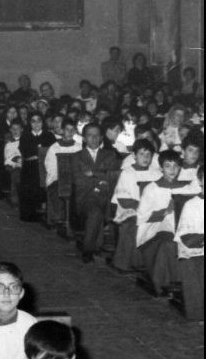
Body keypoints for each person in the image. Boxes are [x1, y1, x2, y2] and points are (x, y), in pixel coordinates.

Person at [136, 149, 195, 296]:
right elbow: (142, 217)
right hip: (154, 230)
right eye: (168, 166)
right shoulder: (151, 188)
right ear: (161, 167)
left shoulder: (187, 189)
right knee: (168, 243)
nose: (172, 170)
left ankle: (188, 282)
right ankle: (168, 283)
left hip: (181, 229)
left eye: (176, 166)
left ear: (180, 167)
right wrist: (166, 211)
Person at [71, 122, 121, 262]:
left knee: (98, 210)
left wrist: (94, 173)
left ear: (101, 138)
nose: (93, 138)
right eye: (89, 135)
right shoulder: (77, 156)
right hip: (85, 197)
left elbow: (114, 176)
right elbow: (79, 181)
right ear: (84, 138)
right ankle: (88, 249)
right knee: (95, 211)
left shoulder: (109, 155)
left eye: (96, 136)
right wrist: (100, 182)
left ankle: (94, 245)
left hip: (107, 196)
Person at [111, 139, 161, 272]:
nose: (145, 158)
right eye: (141, 154)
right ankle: (123, 263)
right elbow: (123, 198)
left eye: (148, 155)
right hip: (130, 210)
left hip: (151, 210)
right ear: (134, 155)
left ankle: (148, 263)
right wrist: (143, 207)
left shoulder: (157, 173)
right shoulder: (127, 173)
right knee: (132, 224)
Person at [175, 165, 204, 321]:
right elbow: (187, 238)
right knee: (194, 268)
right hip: (194, 251)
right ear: (200, 181)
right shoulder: (191, 205)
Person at [43, 117, 82, 227]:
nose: (69, 133)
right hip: (58, 178)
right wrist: (62, 178)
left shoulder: (79, 147)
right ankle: (59, 218)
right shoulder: (54, 148)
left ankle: (76, 221)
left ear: (75, 131)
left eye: (72, 130)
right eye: (67, 129)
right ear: (62, 130)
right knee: (57, 189)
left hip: (75, 180)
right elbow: (51, 168)